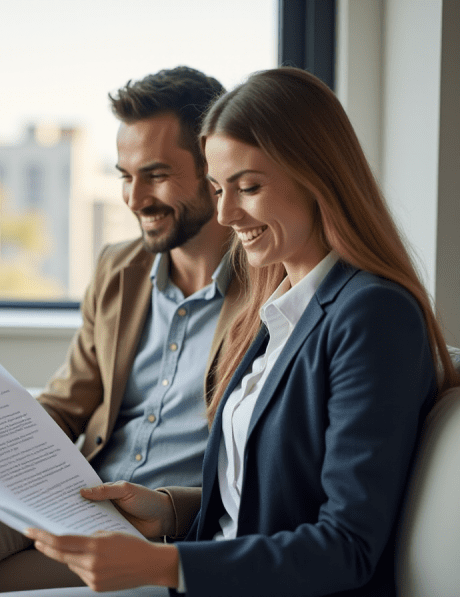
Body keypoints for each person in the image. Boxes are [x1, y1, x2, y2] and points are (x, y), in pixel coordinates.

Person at [26, 67, 460, 596]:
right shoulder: (273, 304)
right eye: (216, 188)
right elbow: (257, 501)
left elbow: (347, 546)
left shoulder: (372, 315)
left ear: (317, 177)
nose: (226, 213)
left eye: (248, 187)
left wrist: (166, 567)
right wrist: (167, 510)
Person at [0, 66, 239, 597]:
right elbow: (69, 402)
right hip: (82, 496)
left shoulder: (268, 286)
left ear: (213, 168)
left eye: (155, 174)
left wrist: (174, 507)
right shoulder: (120, 269)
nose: (134, 198)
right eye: (125, 176)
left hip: (166, 527)